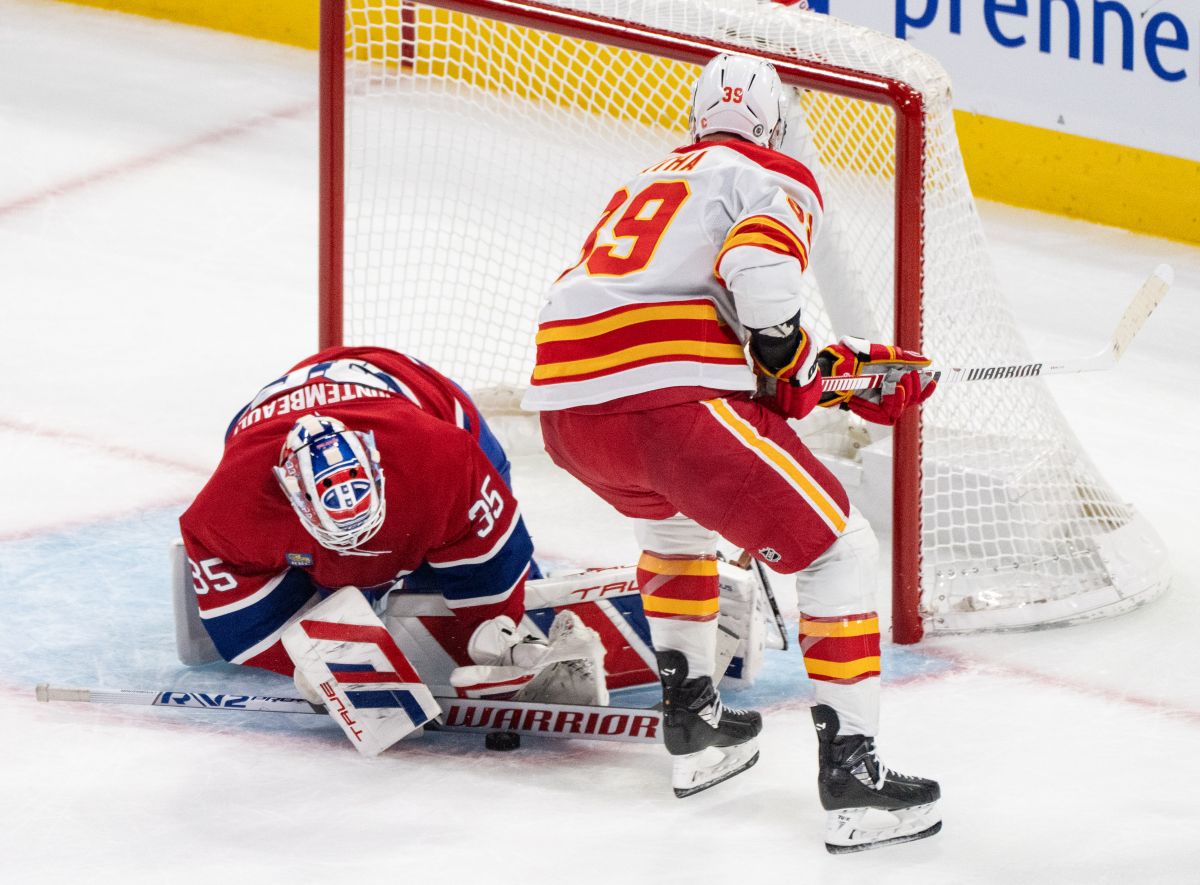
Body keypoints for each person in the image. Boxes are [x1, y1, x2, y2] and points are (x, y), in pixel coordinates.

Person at [521, 54, 940, 851]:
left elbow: (753, 350)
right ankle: (854, 777)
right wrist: (819, 365)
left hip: (569, 414)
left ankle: (696, 725)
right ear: (775, 127)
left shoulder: (647, 181)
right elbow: (760, 280)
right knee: (840, 549)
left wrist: (838, 371)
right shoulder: (771, 171)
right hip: (667, 406)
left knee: (674, 522)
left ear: (694, 121)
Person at [179, 345, 607, 717]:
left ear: (378, 471)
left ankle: (519, 636)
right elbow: (245, 628)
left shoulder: (442, 459)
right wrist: (304, 658)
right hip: (294, 431)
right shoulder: (232, 507)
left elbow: (489, 552)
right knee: (342, 591)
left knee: (466, 585)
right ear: (291, 495)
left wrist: (497, 624)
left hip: (421, 395)